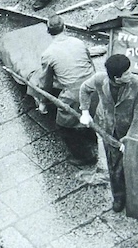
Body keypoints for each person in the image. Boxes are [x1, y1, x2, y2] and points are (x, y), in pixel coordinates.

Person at [79, 54, 138, 213]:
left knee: (129, 161)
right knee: (113, 165)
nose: (131, 74)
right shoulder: (99, 79)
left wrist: (130, 138)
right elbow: (84, 89)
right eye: (126, 73)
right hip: (106, 128)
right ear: (116, 78)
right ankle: (119, 197)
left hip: (127, 131)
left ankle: (134, 187)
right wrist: (85, 111)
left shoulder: (137, 85)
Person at [35, 16, 98, 166]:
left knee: (64, 127)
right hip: (93, 86)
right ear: (65, 28)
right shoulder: (79, 42)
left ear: (48, 32)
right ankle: (91, 136)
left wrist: (43, 102)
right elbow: (91, 64)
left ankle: (85, 157)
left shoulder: (48, 54)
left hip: (74, 95)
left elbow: (46, 83)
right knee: (90, 113)